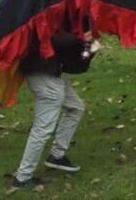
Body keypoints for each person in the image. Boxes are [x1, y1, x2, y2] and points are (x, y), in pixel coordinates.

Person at [13, 28, 93, 188]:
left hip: (50, 73)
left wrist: (90, 46)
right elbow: (54, 38)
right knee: (43, 128)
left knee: (76, 107)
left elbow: (79, 60)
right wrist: (81, 39)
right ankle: (22, 177)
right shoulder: (43, 10)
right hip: (42, 73)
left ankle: (57, 155)